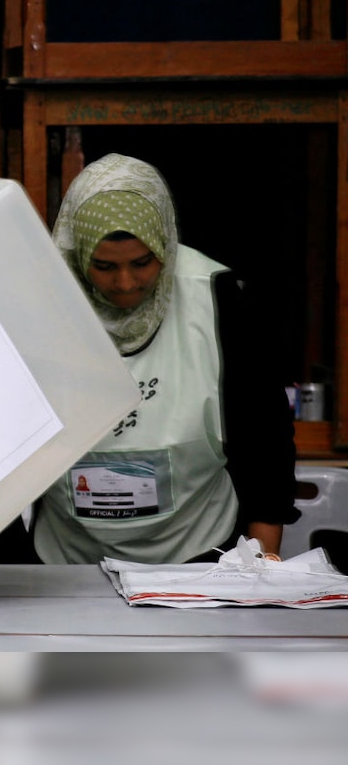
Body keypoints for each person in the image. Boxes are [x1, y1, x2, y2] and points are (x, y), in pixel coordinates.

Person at [29, 153, 297, 564]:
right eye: (102, 266)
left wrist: (263, 560)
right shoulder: (36, 303)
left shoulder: (215, 296)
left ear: (166, 245)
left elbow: (263, 433)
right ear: (77, 255)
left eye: (143, 262)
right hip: (66, 557)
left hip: (198, 550)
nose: (125, 284)